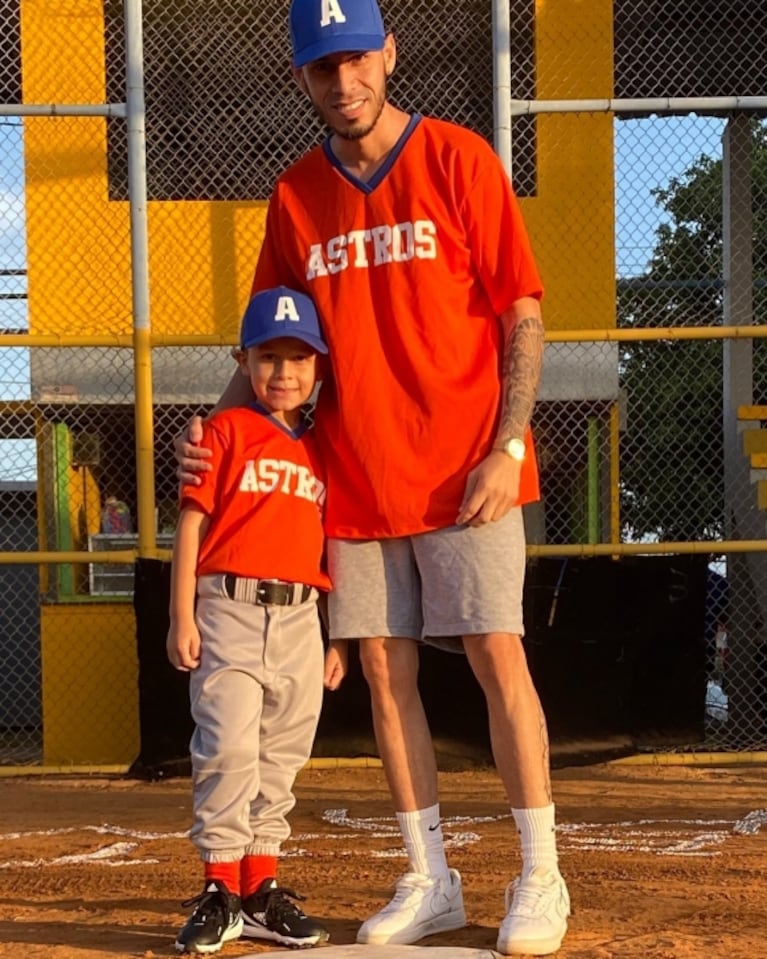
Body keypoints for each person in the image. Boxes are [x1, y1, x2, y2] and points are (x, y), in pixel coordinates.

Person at [176, 1, 570, 954]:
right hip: (351, 477)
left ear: (388, 52)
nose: (343, 81)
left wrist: (506, 445)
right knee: (387, 677)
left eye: (356, 58)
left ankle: (540, 873)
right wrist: (219, 436)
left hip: (465, 473)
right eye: (322, 67)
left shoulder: (460, 160)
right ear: (301, 77)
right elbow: (271, 340)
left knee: (496, 658)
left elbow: (521, 313)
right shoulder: (296, 195)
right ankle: (429, 877)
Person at [167, 285, 347, 955]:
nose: (283, 373)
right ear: (241, 360)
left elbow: (329, 546)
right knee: (228, 746)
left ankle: (261, 889)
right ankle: (218, 885)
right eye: (269, 357)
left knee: (281, 755)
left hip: (302, 618)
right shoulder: (225, 431)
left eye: (299, 359)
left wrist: (337, 636)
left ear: (319, 369)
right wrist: (179, 611)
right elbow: (192, 523)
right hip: (228, 607)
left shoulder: (323, 448)